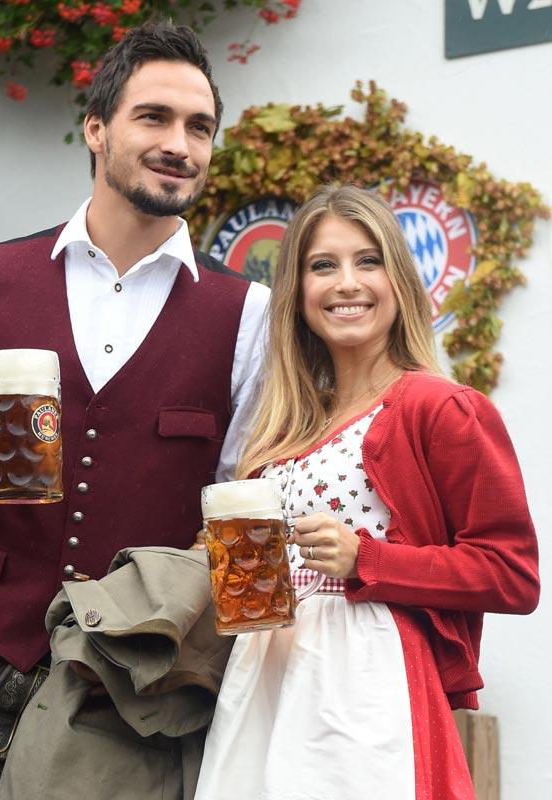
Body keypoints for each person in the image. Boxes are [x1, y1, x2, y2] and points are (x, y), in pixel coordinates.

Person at [0, 20, 268, 800]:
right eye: (154, 117)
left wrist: (241, 670)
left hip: (134, 685)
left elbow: (242, 500)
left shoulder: (248, 313)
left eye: (200, 127)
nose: (180, 145)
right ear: (96, 128)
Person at [193, 185, 539, 800]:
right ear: (298, 291)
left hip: (367, 687)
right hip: (262, 682)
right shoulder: (284, 427)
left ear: (398, 280)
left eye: (368, 261)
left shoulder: (440, 407)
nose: (347, 283)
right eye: (323, 265)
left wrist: (367, 559)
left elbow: (512, 574)